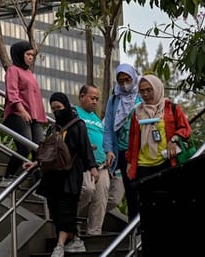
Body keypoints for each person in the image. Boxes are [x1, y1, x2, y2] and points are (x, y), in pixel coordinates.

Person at [33, 92, 98, 257]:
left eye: (59, 107)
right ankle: (75, 240)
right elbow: (46, 152)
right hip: (53, 176)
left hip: (71, 174)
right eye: (53, 108)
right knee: (55, 210)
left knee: (66, 209)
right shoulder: (53, 128)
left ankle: (60, 245)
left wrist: (93, 167)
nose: (56, 111)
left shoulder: (78, 125)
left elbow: (85, 147)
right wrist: (35, 163)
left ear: (66, 106)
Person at [125, 74, 192, 219]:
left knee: (167, 201)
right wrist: (130, 162)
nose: (145, 94)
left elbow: (185, 129)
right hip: (143, 165)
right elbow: (132, 139)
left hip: (165, 162)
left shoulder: (171, 108)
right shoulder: (137, 112)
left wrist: (174, 139)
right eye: (142, 91)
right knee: (145, 203)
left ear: (157, 88)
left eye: (149, 90)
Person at [0, 40, 48, 186]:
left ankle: (39, 183)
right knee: (25, 146)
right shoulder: (13, 70)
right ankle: (8, 176)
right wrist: (22, 110)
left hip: (34, 116)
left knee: (39, 150)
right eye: (28, 54)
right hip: (17, 114)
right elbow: (12, 92)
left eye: (32, 55)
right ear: (19, 54)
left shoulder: (29, 73)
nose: (31, 57)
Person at [102, 63, 142, 219]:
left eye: (128, 79)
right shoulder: (114, 100)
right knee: (131, 192)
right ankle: (134, 228)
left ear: (133, 77)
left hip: (141, 151)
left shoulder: (141, 95)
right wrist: (109, 150)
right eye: (121, 81)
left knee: (144, 190)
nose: (125, 84)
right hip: (123, 152)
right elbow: (108, 128)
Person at [75, 84, 109, 235]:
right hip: (84, 163)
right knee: (87, 190)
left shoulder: (96, 118)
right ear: (82, 96)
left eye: (97, 99)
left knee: (101, 199)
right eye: (92, 98)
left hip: (102, 164)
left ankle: (94, 231)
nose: (95, 101)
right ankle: (66, 215)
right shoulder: (74, 112)